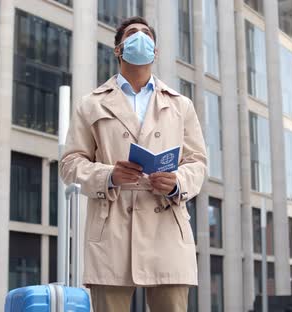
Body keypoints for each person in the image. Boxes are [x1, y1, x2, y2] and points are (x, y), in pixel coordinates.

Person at [60, 16, 207, 312]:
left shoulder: (181, 105)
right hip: (111, 226)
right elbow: (70, 164)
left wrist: (177, 182)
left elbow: (198, 163)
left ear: (155, 51)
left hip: (166, 224)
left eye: (146, 34)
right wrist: (109, 175)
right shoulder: (91, 104)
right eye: (132, 34)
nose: (140, 37)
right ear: (118, 49)